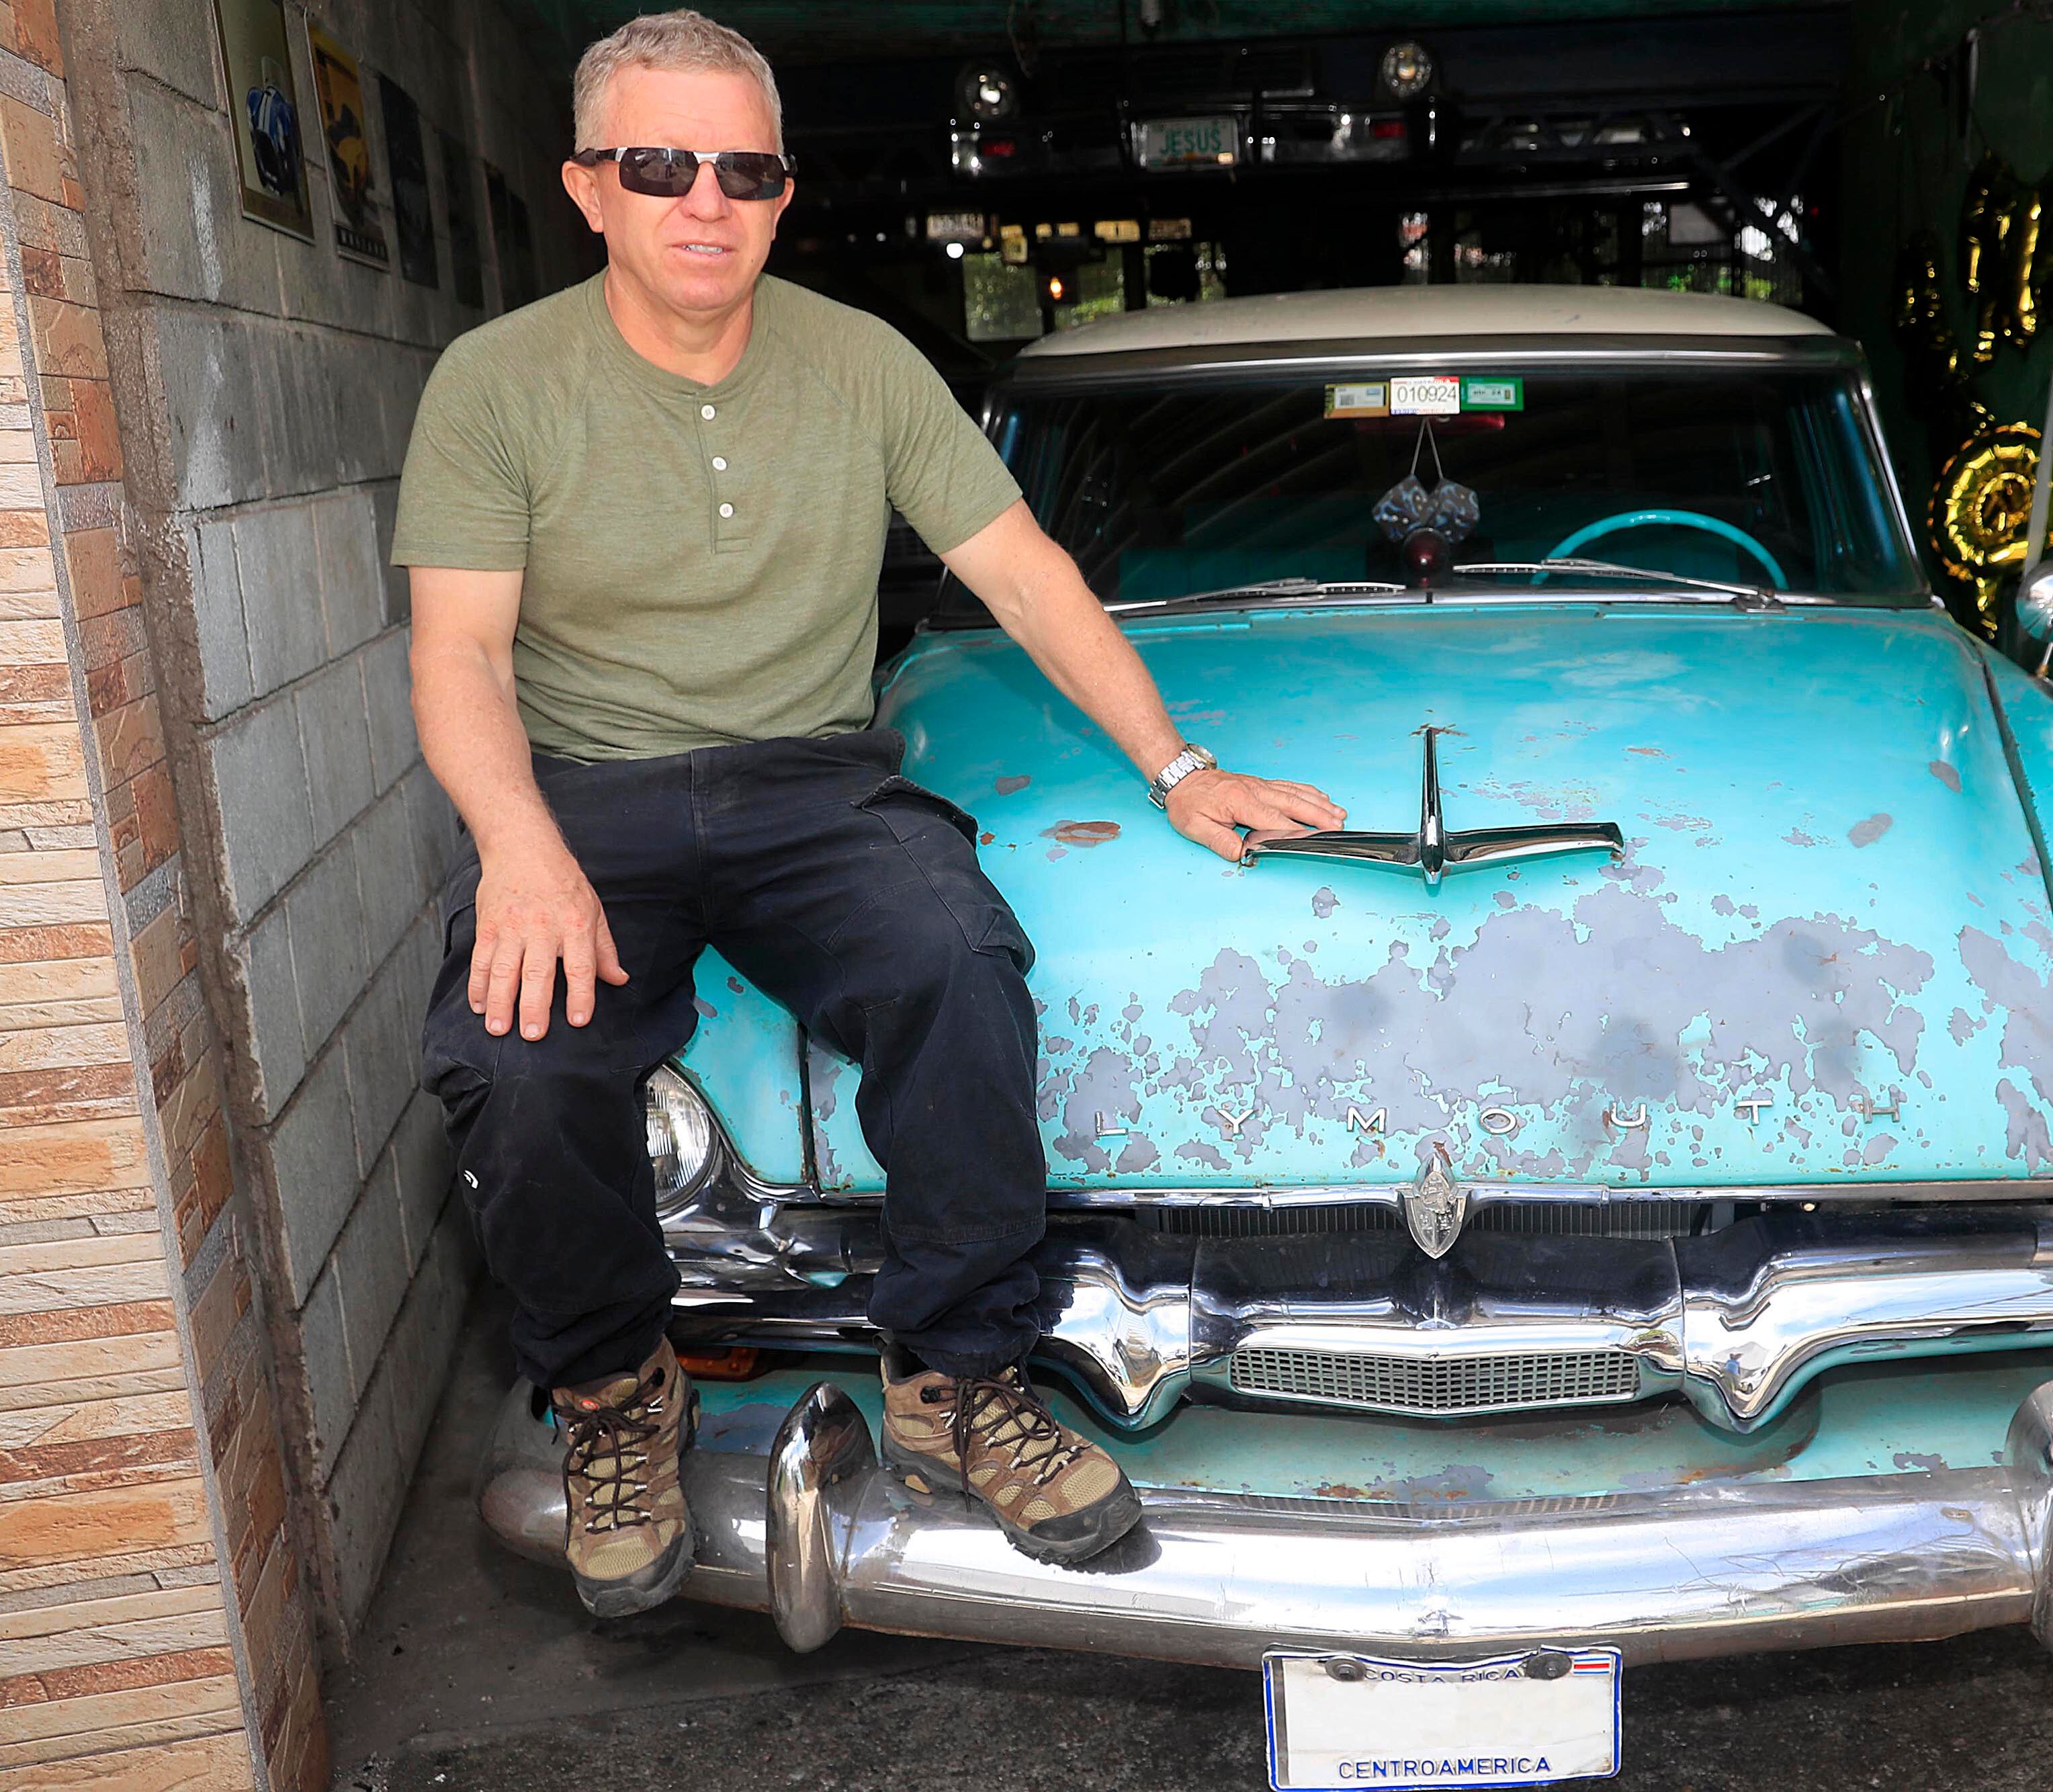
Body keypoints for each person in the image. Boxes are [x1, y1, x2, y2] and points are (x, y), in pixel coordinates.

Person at [394, 9, 1344, 1615]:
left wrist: (1182, 771)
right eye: (660, 164)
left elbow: (1024, 573)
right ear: (590, 188)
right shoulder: (497, 382)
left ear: (780, 194)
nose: (705, 199)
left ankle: (956, 1378)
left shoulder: (860, 360)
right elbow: (459, 651)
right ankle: (620, 1390)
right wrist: (522, 846)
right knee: (513, 1058)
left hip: (811, 780)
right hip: (589, 796)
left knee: (957, 963)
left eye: (742, 169)